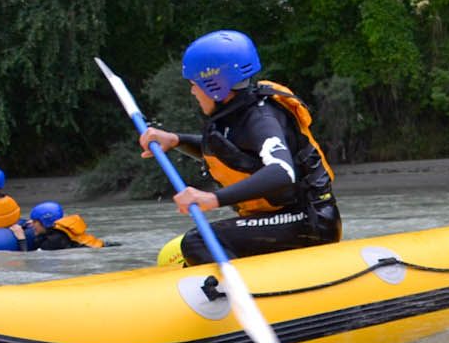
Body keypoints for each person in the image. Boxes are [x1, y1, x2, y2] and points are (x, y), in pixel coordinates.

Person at [137, 29, 341, 266]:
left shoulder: (261, 119)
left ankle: (253, 295)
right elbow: (229, 155)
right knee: (171, 255)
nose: (192, 91)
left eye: (194, 84)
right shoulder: (236, 115)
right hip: (281, 219)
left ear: (215, 85)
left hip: (310, 221)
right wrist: (175, 140)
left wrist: (213, 198)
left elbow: (282, 172)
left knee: (197, 241)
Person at [22, 201, 102, 251]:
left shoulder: (54, 241)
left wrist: (21, 239)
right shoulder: (57, 233)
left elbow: (27, 256)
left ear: (45, 222)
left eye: (35, 221)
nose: (32, 224)